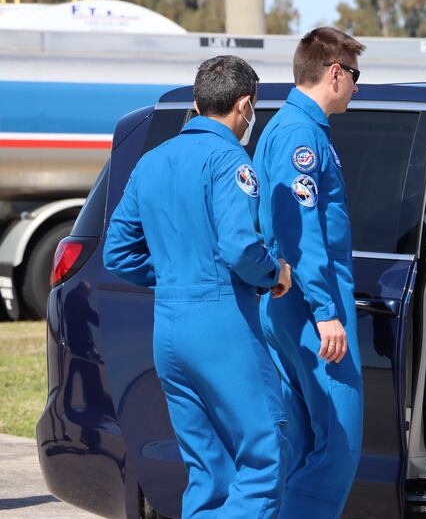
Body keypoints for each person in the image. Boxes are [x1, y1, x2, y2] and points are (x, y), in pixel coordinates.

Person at [103, 55, 292, 518]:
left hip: (169, 330)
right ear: (245, 105)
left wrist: (173, 275)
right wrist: (276, 274)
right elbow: (241, 249)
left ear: (196, 100)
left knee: (208, 470)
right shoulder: (229, 157)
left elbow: (116, 253)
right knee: (266, 458)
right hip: (223, 325)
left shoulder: (151, 161)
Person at [251, 27, 365, 518]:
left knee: (298, 444)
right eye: (355, 76)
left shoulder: (288, 127)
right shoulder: (301, 135)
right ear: (335, 72)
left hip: (287, 305)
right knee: (338, 443)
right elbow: (299, 235)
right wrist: (325, 312)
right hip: (311, 308)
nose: (357, 88)